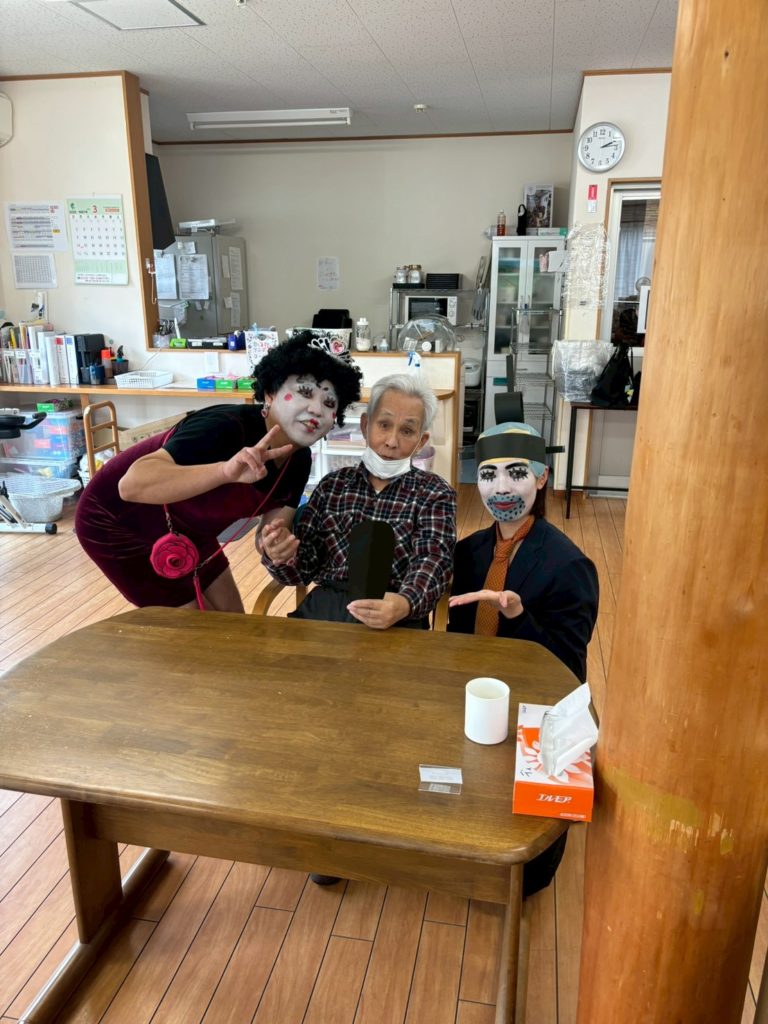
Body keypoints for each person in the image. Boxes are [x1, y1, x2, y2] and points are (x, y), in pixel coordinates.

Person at [75, 333, 363, 612]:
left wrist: (274, 546)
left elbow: (270, 532)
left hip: (190, 530)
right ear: (270, 394)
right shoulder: (224, 426)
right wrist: (225, 471)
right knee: (200, 633)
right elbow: (131, 485)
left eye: (329, 403)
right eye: (304, 393)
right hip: (115, 522)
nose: (316, 409)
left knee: (234, 626)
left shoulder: (298, 461)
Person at [448, 421, 598, 899]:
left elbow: (568, 668)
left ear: (542, 477)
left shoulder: (568, 565)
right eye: (488, 475)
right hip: (474, 695)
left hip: (534, 705)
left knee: (526, 877)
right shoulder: (467, 552)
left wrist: (517, 615)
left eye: (516, 473)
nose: (501, 488)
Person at [260, 372, 456, 630]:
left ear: (421, 441)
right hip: (325, 613)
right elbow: (303, 568)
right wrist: (283, 554)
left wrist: (405, 603)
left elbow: (433, 560)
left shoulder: (435, 493)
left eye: (407, 431)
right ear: (365, 426)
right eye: (384, 425)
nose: (392, 441)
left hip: (395, 615)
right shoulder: (333, 487)